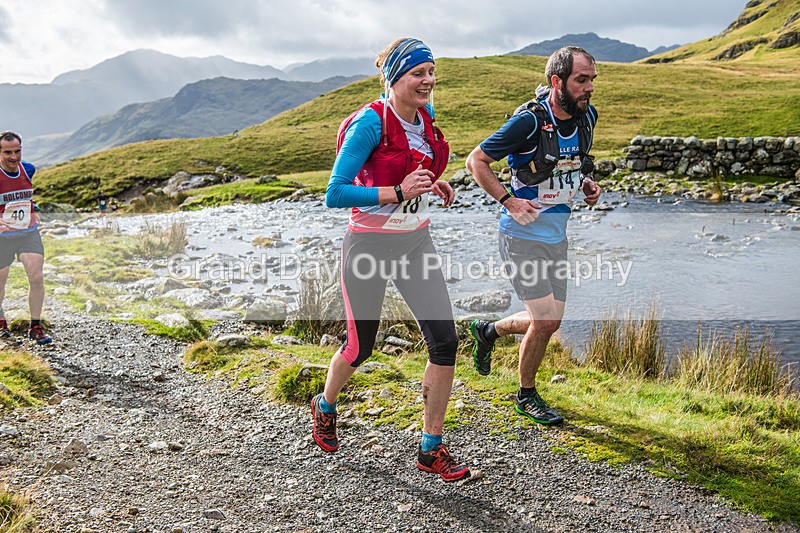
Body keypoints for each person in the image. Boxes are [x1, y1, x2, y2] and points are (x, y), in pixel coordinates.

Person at [311, 38, 470, 482]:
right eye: (418, 73)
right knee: (360, 347)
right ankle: (325, 405)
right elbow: (334, 193)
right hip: (368, 248)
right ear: (394, 78)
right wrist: (399, 193)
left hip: (415, 244)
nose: (428, 80)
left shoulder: (425, 119)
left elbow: (412, 166)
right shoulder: (369, 123)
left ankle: (430, 448)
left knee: (445, 341)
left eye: (432, 71)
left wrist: (432, 184)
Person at [465, 46, 601, 425]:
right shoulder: (528, 122)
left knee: (550, 320)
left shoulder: (586, 117)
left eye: (592, 80)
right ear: (557, 82)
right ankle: (526, 395)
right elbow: (476, 161)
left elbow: (576, 165)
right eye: (581, 80)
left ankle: (488, 331)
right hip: (520, 237)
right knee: (543, 321)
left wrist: (588, 184)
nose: (589, 88)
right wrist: (509, 201)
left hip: (556, 237)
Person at [0, 131, 53, 345]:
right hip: (2, 237)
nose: (14, 157)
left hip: (27, 233)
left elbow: (26, 192)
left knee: (37, 277)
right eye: (8, 152)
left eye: (17, 151)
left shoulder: (28, 169)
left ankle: (36, 326)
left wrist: (35, 207)